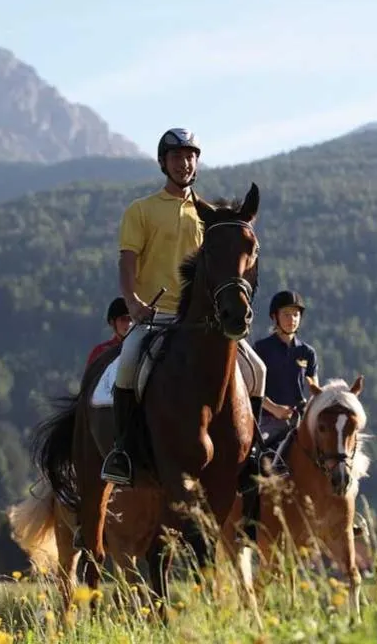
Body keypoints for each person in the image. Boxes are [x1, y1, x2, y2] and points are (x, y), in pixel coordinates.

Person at [100, 128, 268, 486]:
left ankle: (252, 454)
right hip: (157, 316)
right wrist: (133, 302)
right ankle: (123, 450)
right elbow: (127, 262)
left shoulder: (211, 216)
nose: (185, 163)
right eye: (177, 157)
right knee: (128, 364)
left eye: (190, 156)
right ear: (164, 163)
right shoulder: (141, 210)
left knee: (259, 370)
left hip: (205, 321)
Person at [252, 289, 318, 465]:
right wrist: (274, 409)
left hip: (299, 422)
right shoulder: (262, 348)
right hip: (267, 420)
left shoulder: (307, 352)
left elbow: (314, 390)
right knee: (256, 456)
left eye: (296, 315)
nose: (292, 319)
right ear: (275, 317)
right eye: (286, 314)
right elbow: (253, 389)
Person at [86, 297, 134, 368]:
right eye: (123, 319)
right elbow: (89, 378)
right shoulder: (100, 352)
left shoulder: (141, 348)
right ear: (112, 323)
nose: (129, 323)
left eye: (131, 319)